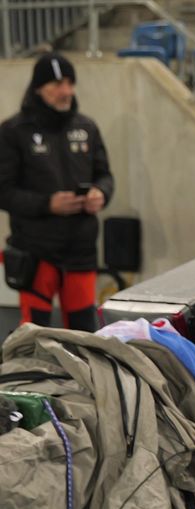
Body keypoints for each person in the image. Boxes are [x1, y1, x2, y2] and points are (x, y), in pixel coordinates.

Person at [0, 52, 113, 332]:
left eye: (69, 83)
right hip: (37, 254)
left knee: (83, 337)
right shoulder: (13, 132)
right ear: (38, 88)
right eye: (57, 84)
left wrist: (101, 192)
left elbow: (105, 175)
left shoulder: (86, 127)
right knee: (36, 338)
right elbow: (3, 191)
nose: (66, 91)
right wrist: (47, 204)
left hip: (81, 252)